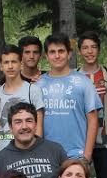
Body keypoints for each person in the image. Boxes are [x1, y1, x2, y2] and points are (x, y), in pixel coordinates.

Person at [37, 32, 102, 161]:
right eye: (52, 52)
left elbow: (93, 120)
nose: (57, 56)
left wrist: (87, 156)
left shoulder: (84, 82)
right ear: (46, 56)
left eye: (61, 51)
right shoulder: (38, 84)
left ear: (69, 53)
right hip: (47, 156)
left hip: (77, 155)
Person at [0, 102, 68, 178]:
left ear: (35, 124)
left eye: (29, 121)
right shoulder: (0, 160)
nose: (24, 126)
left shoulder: (55, 150)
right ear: (10, 127)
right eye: (18, 122)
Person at [0, 44, 45, 153]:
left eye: (14, 62)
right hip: (0, 152)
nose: (10, 66)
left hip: (27, 153)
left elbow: (38, 128)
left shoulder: (32, 90)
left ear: (21, 64)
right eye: (6, 62)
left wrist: (35, 153)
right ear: (1, 66)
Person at [76, 31, 107, 178]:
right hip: (81, 140)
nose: (89, 51)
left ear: (99, 49)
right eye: (85, 48)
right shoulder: (74, 77)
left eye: (93, 47)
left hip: (105, 139)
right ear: (79, 51)